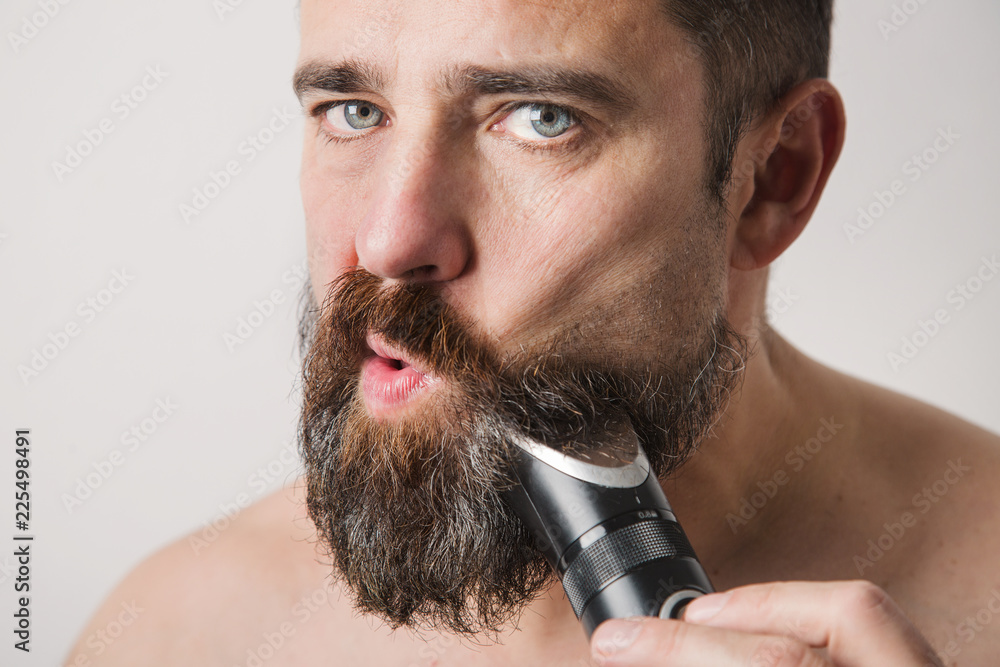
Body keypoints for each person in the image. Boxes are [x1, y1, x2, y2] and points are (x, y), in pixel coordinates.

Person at [68, 0, 1000, 664]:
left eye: (541, 119)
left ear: (774, 175)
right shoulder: (170, 636)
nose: (390, 241)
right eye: (354, 112)